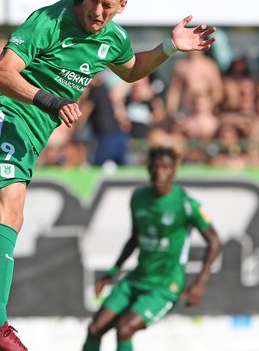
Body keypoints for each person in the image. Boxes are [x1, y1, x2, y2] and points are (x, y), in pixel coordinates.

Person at [0, 0, 216, 351]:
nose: (98, 12)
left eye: (108, 6)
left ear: (122, 6)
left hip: (28, 139)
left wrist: (169, 47)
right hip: (4, 120)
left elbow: (132, 71)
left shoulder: (112, 38)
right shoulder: (48, 20)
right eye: (93, 1)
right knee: (10, 214)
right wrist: (49, 99)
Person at [81, 146, 221, 351]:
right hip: (136, 280)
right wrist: (112, 272)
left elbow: (215, 241)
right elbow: (135, 238)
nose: (160, 172)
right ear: (148, 169)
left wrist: (201, 281)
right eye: (155, 167)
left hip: (164, 287)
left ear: (174, 171)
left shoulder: (185, 203)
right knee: (94, 329)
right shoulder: (139, 198)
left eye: (166, 167)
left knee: (124, 328)